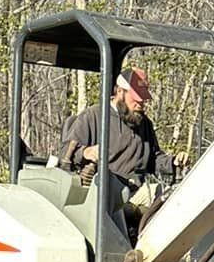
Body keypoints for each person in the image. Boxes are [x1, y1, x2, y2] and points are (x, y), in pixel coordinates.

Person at [59, 64, 177, 223]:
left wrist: (173, 162)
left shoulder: (144, 124)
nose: (140, 105)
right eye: (136, 99)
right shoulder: (94, 116)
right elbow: (66, 150)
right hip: (104, 198)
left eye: (143, 100)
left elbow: (154, 159)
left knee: (170, 207)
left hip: (137, 195)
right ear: (120, 92)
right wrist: (86, 152)